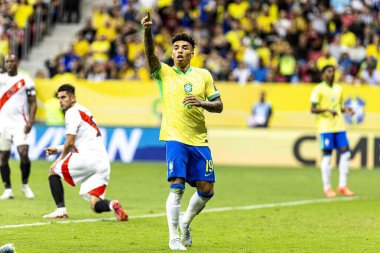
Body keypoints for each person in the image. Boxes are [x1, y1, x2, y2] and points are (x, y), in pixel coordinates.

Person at [142, 13, 223, 251]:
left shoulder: (204, 75)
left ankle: (186, 221)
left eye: (184, 48)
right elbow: (150, 55)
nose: (179, 51)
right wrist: (147, 31)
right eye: (175, 47)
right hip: (174, 137)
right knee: (176, 186)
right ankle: (173, 237)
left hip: (199, 140)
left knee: (207, 190)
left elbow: (219, 106)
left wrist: (202, 103)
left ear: (191, 53)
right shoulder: (164, 73)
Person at [43, 84, 128, 221]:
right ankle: (113, 205)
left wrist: (59, 159)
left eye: (64, 97)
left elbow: (70, 142)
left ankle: (60, 210)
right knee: (95, 204)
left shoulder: (72, 112)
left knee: (53, 171)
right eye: (59, 98)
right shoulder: (84, 111)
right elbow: (80, 141)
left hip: (87, 158)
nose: (60, 100)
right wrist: (58, 148)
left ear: (73, 98)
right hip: (102, 162)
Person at [310, 65, 355, 198]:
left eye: (333, 71)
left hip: (339, 125)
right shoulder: (318, 89)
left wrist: (346, 110)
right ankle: (327, 187)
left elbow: (339, 107)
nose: (332, 74)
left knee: (346, 153)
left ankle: (342, 185)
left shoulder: (339, 89)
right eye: (329, 71)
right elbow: (312, 109)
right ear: (323, 74)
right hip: (325, 127)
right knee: (327, 156)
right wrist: (326, 110)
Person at [0, 54, 37, 200]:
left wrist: (30, 121)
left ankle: (25, 184)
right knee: (3, 157)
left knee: (23, 153)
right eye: (7, 61)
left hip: (20, 123)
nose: (9, 63)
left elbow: (33, 102)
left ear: (17, 62)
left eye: (12, 61)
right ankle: (8, 189)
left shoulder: (26, 80)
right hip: (3, 124)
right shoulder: (1, 79)